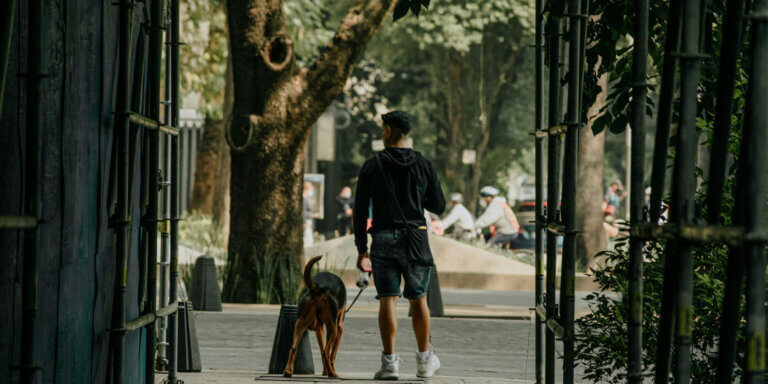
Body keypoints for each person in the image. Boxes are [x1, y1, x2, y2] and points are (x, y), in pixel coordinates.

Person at [353, 110, 445, 380]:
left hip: (382, 240)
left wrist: (362, 249)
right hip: (415, 239)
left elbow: (359, 211)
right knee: (419, 300)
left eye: (383, 130)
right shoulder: (424, 164)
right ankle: (424, 362)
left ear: (388, 132)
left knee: (388, 300)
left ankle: (390, 364)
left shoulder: (372, 165)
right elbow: (437, 205)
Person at [302, 181, 315, 247]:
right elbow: (303, 211)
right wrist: (304, 223)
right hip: (306, 223)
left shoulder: (306, 199)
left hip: (308, 223)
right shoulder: (303, 199)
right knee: (308, 242)